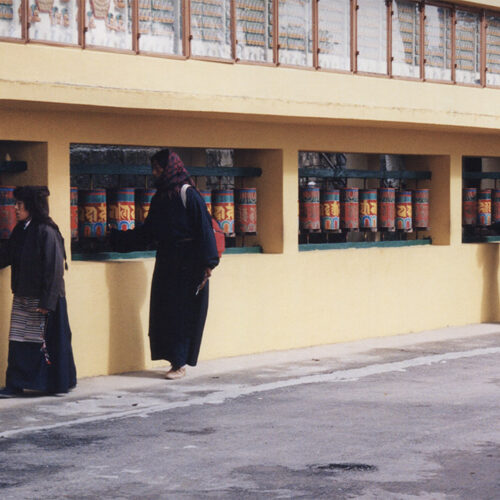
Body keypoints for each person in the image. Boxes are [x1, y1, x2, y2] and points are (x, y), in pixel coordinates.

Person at [111, 150, 219, 380]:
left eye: (158, 168)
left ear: (170, 168)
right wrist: (115, 239)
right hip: (168, 258)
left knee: (182, 311)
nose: (155, 173)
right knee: (165, 310)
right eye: (154, 169)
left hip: (190, 261)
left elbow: (204, 229)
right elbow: (149, 232)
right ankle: (173, 358)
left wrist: (208, 264)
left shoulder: (187, 194)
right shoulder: (160, 198)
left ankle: (179, 363)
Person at [0, 186, 76, 398]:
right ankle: (15, 384)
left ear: (31, 207)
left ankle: (56, 384)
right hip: (23, 296)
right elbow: (6, 255)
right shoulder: (20, 230)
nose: (15, 208)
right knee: (19, 342)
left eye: (19, 205)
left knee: (46, 344)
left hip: (45, 300)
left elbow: (54, 270)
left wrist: (47, 302)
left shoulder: (46, 231)